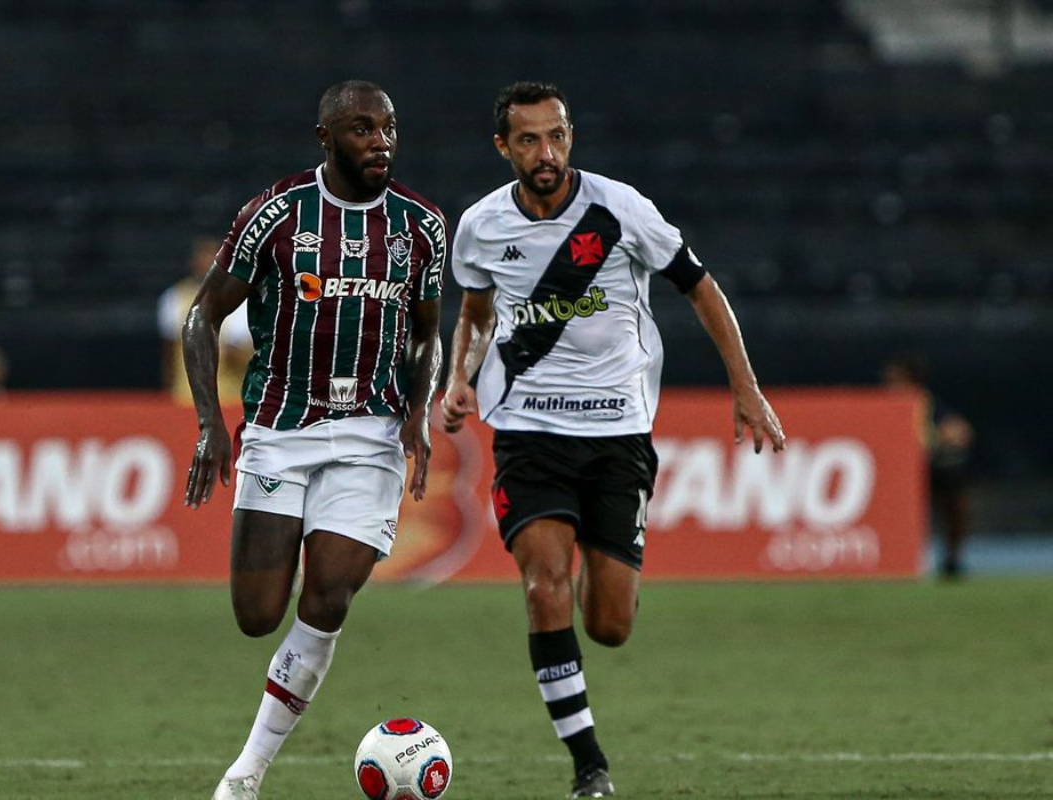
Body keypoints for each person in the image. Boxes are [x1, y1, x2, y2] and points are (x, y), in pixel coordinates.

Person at [441, 82, 785, 798]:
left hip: (617, 435)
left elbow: (700, 288)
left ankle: (606, 587)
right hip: (528, 431)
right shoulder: (479, 226)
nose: (547, 152)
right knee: (544, 589)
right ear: (503, 147)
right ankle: (589, 766)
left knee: (610, 625)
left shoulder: (619, 210)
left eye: (557, 136)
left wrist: (745, 388)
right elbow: (473, 313)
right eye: (530, 140)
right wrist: (459, 378)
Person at [182, 79, 446, 800]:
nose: (380, 142)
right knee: (257, 616)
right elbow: (203, 317)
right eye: (362, 129)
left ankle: (246, 773)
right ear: (325, 137)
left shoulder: (420, 225)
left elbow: (428, 336)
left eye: (388, 127)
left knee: (328, 595)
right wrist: (211, 423)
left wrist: (419, 411)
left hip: (370, 433)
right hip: (279, 429)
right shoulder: (275, 213)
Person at [883, 354, 974, 578]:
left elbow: (961, 431)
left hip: (927, 467)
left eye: (896, 380)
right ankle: (895, 558)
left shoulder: (925, 403)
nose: (891, 386)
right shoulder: (881, 405)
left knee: (955, 494)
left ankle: (953, 559)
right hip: (892, 470)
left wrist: (946, 436)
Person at [158, 235, 252, 405]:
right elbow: (169, 352)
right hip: (186, 398)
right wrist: (168, 390)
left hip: (229, 399)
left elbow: (252, 356)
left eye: (213, 259)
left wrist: (236, 355)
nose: (207, 264)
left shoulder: (242, 302)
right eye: (203, 258)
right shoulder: (174, 298)